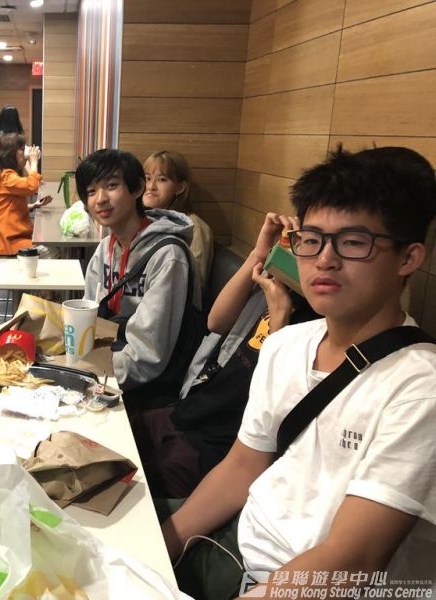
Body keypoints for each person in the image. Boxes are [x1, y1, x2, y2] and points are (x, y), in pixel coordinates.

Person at [160, 146, 436, 600]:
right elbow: (242, 467)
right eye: (311, 240)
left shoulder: (419, 388)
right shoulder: (286, 343)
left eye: (354, 242)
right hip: (236, 541)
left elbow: (353, 562)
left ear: (408, 258)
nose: (324, 259)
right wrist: (158, 550)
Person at [133, 212, 317, 499]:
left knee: (129, 490)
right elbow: (216, 322)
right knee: (117, 437)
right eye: (308, 238)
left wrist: (280, 315)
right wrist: (259, 254)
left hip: (213, 447)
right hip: (189, 411)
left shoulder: (316, 322)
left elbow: (277, 403)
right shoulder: (275, 287)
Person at [77, 148, 201, 401]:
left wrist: (86, 375)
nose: (100, 199)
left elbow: (147, 355)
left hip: (147, 392)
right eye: (91, 191)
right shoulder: (105, 249)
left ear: (137, 188)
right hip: (106, 369)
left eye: (111, 186)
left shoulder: (168, 255)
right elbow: (88, 320)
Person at [143, 150, 213, 290]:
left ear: (180, 187)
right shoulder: (142, 220)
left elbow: (193, 283)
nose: (151, 186)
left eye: (162, 179)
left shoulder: (194, 227)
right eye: (147, 178)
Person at [0, 133, 51, 256]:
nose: (25, 151)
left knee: (46, 248)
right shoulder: (6, 176)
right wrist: (33, 161)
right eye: (22, 149)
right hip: (6, 240)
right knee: (50, 252)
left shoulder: (6, 174)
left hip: (11, 236)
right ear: (11, 154)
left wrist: (34, 205)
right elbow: (31, 186)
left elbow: (8, 206)